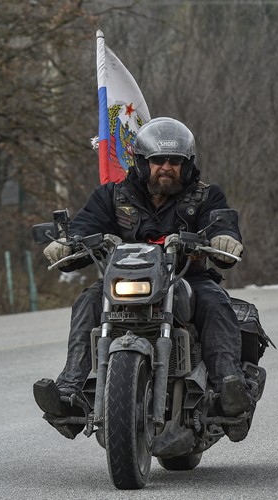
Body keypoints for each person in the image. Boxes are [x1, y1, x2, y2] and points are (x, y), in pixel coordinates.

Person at [33, 117, 255, 442]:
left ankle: (227, 391)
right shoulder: (113, 196)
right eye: (158, 160)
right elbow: (85, 225)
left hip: (185, 278)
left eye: (175, 161)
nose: (166, 167)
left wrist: (223, 238)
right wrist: (67, 242)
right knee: (87, 300)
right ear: (142, 162)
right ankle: (70, 392)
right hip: (125, 280)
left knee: (215, 300)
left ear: (187, 163)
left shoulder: (205, 196)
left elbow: (221, 225)